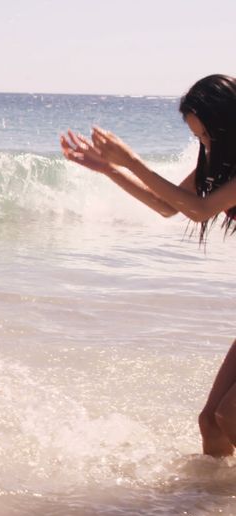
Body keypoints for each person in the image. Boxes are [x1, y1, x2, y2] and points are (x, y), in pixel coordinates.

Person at [61, 74, 236, 457]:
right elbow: (168, 206)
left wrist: (132, 160)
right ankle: (214, 502)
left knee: (231, 416)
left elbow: (202, 210)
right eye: (198, 137)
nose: (204, 144)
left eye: (208, 134)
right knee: (211, 423)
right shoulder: (220, 163)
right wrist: (111, 170)